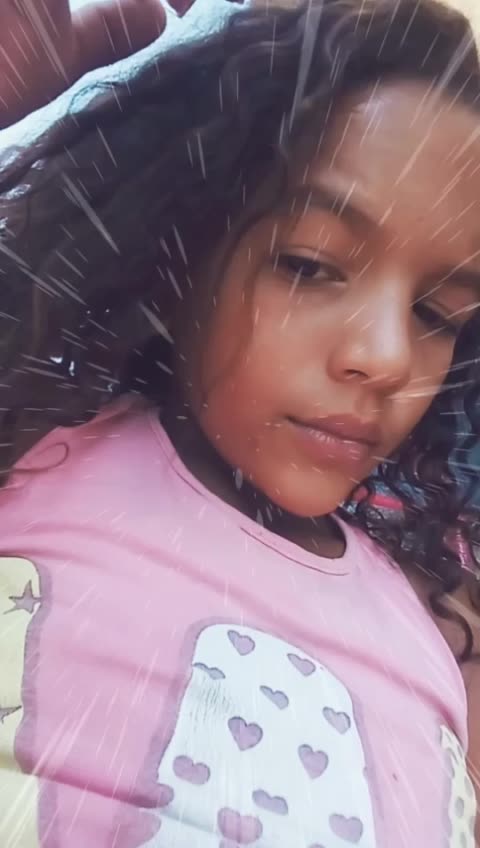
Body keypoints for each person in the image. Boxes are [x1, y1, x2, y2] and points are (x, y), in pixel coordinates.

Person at [0, 0, 479, 845]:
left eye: (436, 315)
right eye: (309, 265)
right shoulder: (24, 465)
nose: (386, 355)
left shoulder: (431, 620)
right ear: (187, 239)